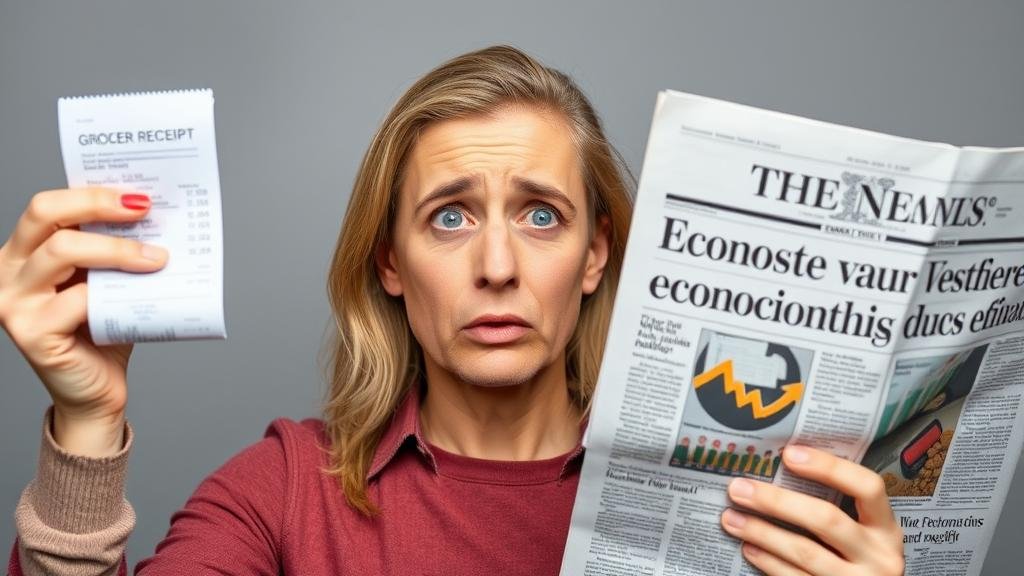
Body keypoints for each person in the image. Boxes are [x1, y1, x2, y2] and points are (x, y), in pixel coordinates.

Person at [0, 45, 905, 575]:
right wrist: (89, 420)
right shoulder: (280, 492)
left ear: (596, 257)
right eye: (451, 216)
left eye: (542, 215)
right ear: (391, 261)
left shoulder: (747, 505)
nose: (499, 266)